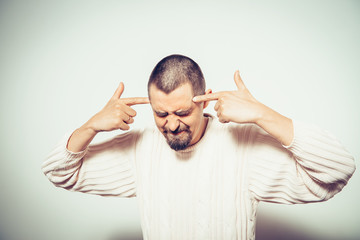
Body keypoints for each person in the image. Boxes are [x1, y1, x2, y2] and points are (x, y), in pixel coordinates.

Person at [42, 54, 356, 240]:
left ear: (204, 97)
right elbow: (59, 173)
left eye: (182, 112)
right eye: (161, 113)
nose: (171, 124)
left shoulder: (241, 146)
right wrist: (90, 126)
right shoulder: (141, 148)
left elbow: (337, 171)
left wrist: (263, 114)